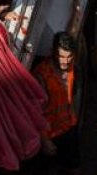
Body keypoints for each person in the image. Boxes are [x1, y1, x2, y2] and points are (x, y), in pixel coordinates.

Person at [33, 32, 81, 174]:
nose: (66, 61)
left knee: (74, 168)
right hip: (51, 135)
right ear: (53, 53)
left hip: (69, 127)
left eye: (69, 57)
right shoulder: (41, 75)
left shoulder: (72, 66)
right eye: (61, 57)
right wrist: (45, 140)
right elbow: (36, 111)